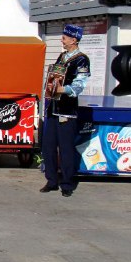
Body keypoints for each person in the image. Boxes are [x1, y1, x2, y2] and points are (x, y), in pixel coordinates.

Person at [41, 24, 90, 197]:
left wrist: (64, 89)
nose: (62, 39)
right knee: (48, 146)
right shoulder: (62, 56)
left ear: (74, 40)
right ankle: (52, 180)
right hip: (53, 108)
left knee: (66, 148)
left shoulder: (82, 59)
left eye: (65, 37)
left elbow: (80, 84)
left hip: (67, 110)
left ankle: (67, 183)